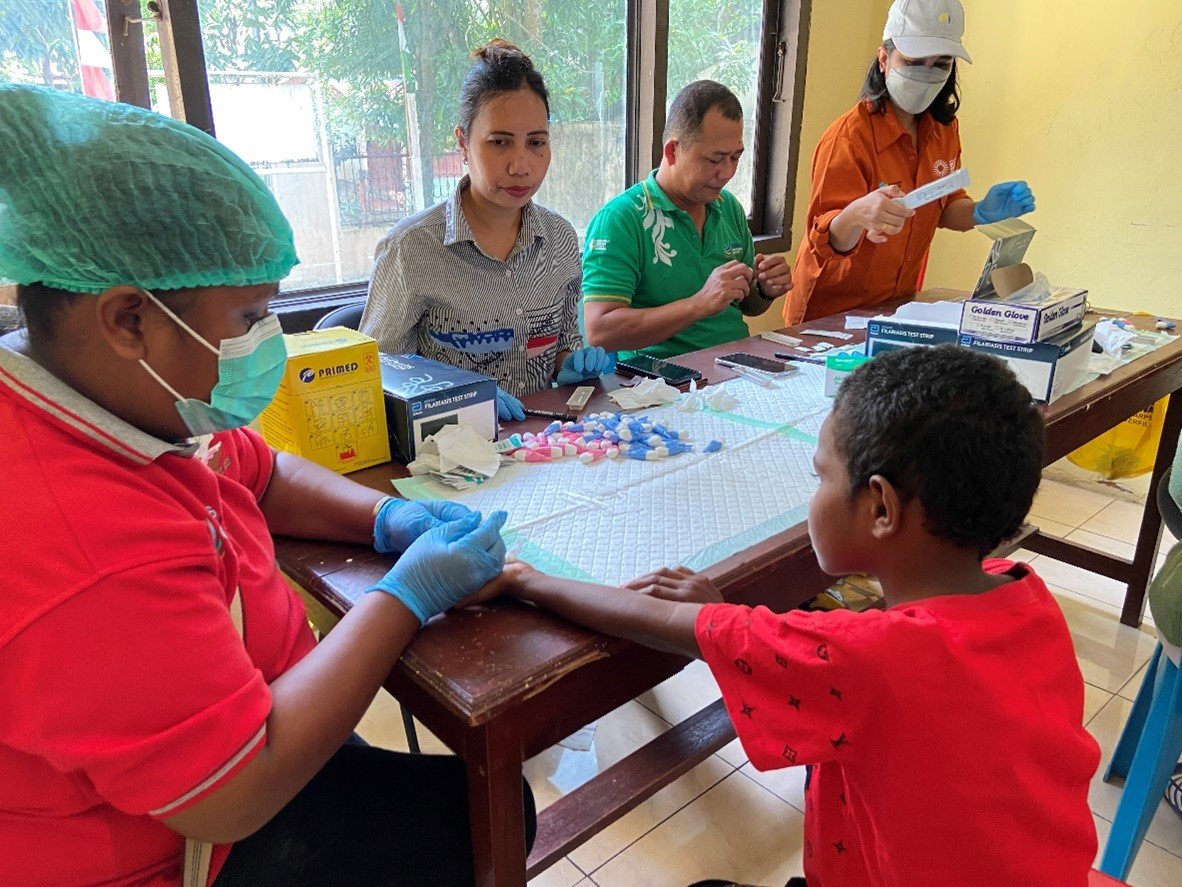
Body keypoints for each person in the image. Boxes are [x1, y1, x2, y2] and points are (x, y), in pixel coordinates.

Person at [0, 85, 533, 887]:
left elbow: (262, 470)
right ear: (128, 320)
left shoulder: (123, 399)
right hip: (193, 843)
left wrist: (387, 518)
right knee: (489, 816)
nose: (267, 342)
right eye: (249, 317)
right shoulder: (76, 540)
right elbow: (235, 790)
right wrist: (403, 597)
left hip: (260, 712)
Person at [478, 346, 1101, 885]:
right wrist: (728, 615)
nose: (813, 494)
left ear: (881, 508)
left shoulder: (872, 657)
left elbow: (661, 622)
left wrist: (528, 580)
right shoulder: (1026, 596)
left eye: (820, 476)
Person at [360, 40, 613, 423]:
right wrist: (456, 395)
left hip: (544, 438)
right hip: (450, 446)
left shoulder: (560, 239)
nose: (521, 165)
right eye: (499, 142)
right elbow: (376, 374)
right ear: (463, 144)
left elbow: (562, 345)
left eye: (537, 142)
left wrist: (570, 364)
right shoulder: (410, 249)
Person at [784, 0, 1036, 324]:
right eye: (914, 61)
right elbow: (826, 238)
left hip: (896, 306)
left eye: (941, 64)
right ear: (884, 59)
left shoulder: (944, 130)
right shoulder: (848, 139)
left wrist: (980, 211)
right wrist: (857, 215)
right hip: (830, 314)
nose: (926, 74)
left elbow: (943, 206)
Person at [581, 80, 793, 362]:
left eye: (735, 157)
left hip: (738, 365)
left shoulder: (727, 206)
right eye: (715, 159)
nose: (727, 172)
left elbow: (746, 305)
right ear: (672, 151)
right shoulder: (621, 219)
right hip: (662, 376)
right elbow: (600, 332)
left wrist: (764, 289)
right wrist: (698, 304)